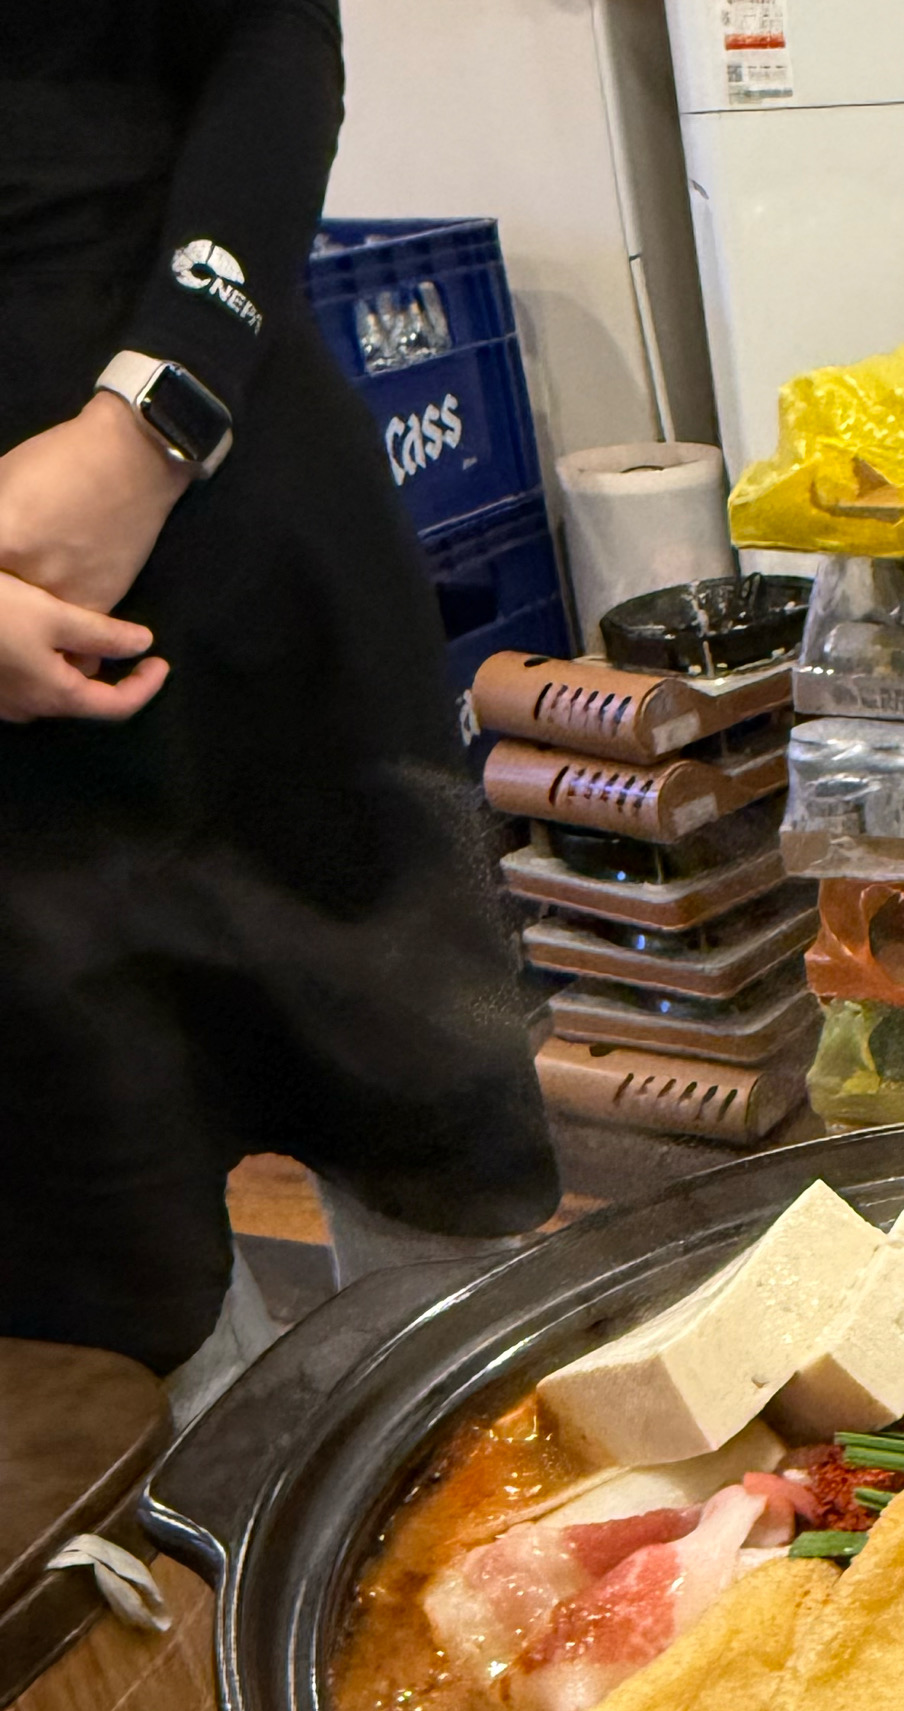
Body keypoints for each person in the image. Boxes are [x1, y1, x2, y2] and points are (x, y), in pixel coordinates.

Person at [0, 0, 558, 1402]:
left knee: (437, 1172)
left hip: (253, 528)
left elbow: (273, 33)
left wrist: (155, 417)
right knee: (120, 1283)